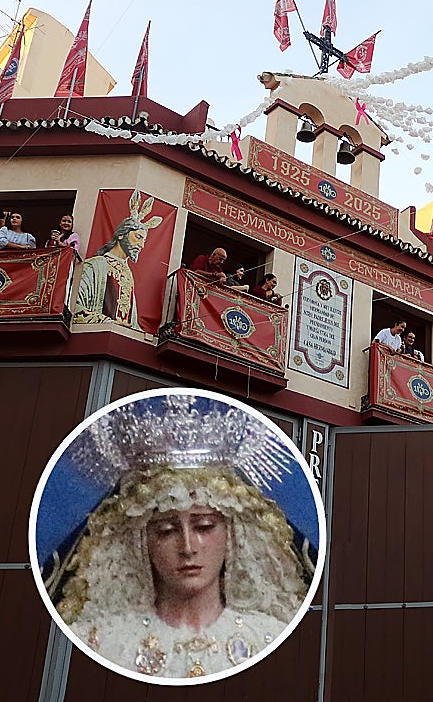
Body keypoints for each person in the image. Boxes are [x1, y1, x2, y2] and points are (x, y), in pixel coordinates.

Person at [48, 392, 312, 681]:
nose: (188, 547)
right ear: (139, 542)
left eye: (205, 526)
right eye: (166, 530)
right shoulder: (100, 640)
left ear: (233, 535)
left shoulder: (269, 635)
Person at [73, 190, 164, 330]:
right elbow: (75, 305)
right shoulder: (96, 265)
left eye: (144, 240)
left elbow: (131, 320)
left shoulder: (128, 274)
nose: (141, 245)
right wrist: (107, 323)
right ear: (121, 235)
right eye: (138, 237)